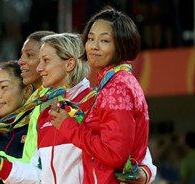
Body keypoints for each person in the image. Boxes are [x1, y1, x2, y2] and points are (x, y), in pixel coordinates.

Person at [0, 32, 155, 183]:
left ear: (69, 64)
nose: (40, 68)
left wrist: (143, 175)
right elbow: (39, 176)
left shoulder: (97, 102)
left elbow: (139, 155)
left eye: (45, 60)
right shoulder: (47, 114)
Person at [49, 6, 152, 183]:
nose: (93, 46)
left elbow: (114, 154)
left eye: (104, 41)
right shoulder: (116, 83)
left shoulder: (117, 88)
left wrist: (68, 126)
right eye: (90, 38)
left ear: (122, 44)